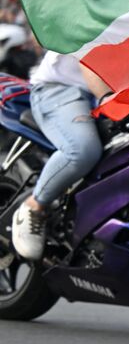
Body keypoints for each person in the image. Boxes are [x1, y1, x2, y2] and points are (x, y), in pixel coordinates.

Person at [11, 51, 110, 259]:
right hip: (63, 89)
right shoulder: (100, 17)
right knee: (83, 150)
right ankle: (34, 205)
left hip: (116, 92)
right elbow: (90, 53)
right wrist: (111, 101)